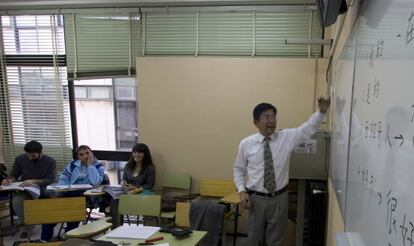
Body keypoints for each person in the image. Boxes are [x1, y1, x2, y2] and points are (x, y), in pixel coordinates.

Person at [233, 97, 331, 246]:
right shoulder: (246, 144)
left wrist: (322, 112)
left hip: (279, 198)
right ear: (256, 122)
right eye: (266, 117)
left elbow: (308, 128)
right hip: (255, 199)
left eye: (273, 116)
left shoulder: (286, 137)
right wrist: (241, 191)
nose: (271, 120)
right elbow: (238, 170)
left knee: (276, 240)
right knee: (254, 239)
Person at [41, 145, 105, 241]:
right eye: (81, 154)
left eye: (87, 153)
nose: (85, 156)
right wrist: (65, 188)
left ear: (91, 153)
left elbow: (96, 182)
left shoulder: (99, 166)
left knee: (72, 206)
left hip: (86, 195)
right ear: (78, 157)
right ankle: (45, 239)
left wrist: (90, 165)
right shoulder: (73, 165)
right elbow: (63, 179)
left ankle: (69, 235)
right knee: (50, 209)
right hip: (68, 193)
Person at [1, 141, 56, 229]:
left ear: (41, 152)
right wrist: (9, 180)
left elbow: (50, 179)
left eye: (33, 156)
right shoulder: (20, 159)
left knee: (55, 194)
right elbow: (14, 174)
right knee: (17, 201)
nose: (30, 158)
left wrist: (33, 181)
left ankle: (49, 224)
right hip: (25, 188)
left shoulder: (50, 161)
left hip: (42, 187)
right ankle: (28, 225)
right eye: (28, 155)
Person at [110, 143, 156, 227]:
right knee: (114, 200)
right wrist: (123, 183)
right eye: (134, 152)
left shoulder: (149, 168)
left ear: (145, 155)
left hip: (141, 195)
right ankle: (116, 227)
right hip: (128, 193)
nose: (136, 155)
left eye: (140, 153)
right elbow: (123, 179)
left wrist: (134, 187)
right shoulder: (128, 165)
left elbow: (150, 186)